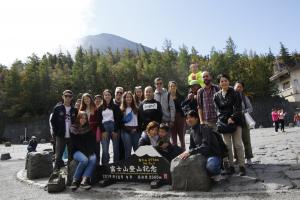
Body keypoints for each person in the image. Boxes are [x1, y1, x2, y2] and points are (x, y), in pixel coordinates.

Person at [213, 74, 246, 176]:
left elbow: (238, 107)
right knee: (227, 146)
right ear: (219, 83)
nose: (224, 83)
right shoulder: (216, 96)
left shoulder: (235, 93)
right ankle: (231, 167)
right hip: (224, 123)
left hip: (236, 121)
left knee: (238, 144)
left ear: (229, 81)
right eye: (222, 81)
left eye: (226, 80)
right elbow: (217, 110)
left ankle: (242, 167)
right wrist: (224, 119)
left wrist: (232, 117)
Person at [178, 110, 224, 181]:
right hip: (201, 156)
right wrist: (186, 153)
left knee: (211, 166)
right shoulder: (192, 132)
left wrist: (190, 152)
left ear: (197, 118)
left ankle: (217, 173)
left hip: (212, 155)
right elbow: (191, 148)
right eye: (187, 118)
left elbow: (205, 146)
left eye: (190, 117)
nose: (188, 120)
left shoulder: (204, 128)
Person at [51, 90, 77, 171]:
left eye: (70, 96)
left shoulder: (74, 110)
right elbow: (53, 121)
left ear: (72, 98)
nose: (68, 98)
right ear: (63, 97)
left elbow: (77, 122)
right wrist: (56, 133)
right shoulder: (58, 108)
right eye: (66, 96)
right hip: (61, 136)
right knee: (58, 156)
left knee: (71, 156)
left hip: (71, 136)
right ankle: (55, 174)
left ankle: (70, 174)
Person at [69, 111, 97, 190]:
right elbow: (76, 144)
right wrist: (86, 153)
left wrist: (90, 151)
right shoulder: (73, 128)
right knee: (85, 160)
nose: (83, 120)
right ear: (78, 118)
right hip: (76, 151)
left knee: (93, 158)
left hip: (88, 150)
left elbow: (92, 142)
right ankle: (75, 180)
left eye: (85, 118)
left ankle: (84, 181)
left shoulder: (89, 129)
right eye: (81, 118)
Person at [97, 89, 122, 165]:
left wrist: (115, 130)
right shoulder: (100, 107)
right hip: (104, 128)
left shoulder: (115, 106)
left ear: (111, 96)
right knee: (105, 149)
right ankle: (105, 166)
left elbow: (118, 119)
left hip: (114, 127)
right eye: (105, 95)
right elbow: (99, 120)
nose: (107, 96)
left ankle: (116, 165)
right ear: (103, 96)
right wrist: (103, 131)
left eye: (108, 95)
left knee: (116, 148)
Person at [234, 81, 254, 165]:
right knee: (236, 141)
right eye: (237, 86)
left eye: (240, 87)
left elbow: (250, 108)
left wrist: (244, 111)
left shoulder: (244, 97)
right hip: (234, 121)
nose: (238, 88)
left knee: (246, 140)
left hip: (244, 121)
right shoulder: (230, 96)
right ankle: (237, 158)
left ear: (242, 88)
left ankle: (248, 158)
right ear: (234, 87)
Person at [79, 93, 100, 164]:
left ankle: (97, 166)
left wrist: (90, 124)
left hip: (94, 132)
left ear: (90, 99)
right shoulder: (82, 109)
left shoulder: (95, 108)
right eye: (85, 99)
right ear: (83, 100)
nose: (86, 100)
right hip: (84, 133)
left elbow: (98, 121)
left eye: (88, 98)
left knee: (96, 150)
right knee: (87, 151)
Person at [120, 91, 140, 159]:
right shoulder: (121, 109)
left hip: (136, 131)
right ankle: (128, 167)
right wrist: (129, 130)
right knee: (128, 150)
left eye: (130, 97)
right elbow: (120, 123)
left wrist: (136, 129)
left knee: (137, 150)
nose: (128, 98)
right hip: (125, 131)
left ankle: (137, 166)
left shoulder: (136, 109)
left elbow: (140, 121)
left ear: (132, 98)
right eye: (127, 97)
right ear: (124, 98)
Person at [168, 81, 185, 149]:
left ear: (176, 87)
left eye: (174, 86)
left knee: (182, 137)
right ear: (169, 87)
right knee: (173, 137)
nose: (172, 87)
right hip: (171, 118)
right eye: (171, 86)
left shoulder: (181, 96)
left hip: (180, 117)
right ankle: (175, 153)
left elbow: (183, 108)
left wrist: (176, 100)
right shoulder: (167, 97)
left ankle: (183, 151)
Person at [113, 87, 125, 161]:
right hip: (114, 129)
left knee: (123, 147)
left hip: (124, 129)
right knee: (116, 149)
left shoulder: (125, 103)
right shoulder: (111, 103)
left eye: (121, 93)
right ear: (115, 93)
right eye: (117, 92)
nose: (119, 94)